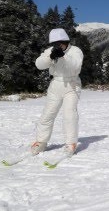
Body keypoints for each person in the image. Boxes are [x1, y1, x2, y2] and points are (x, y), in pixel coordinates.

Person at [31, 28, 83, 156]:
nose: (58, 46)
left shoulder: (76, 51)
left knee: (69, 115)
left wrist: (64, 56)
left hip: (72, 85)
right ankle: (41, 142)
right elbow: (39, 64)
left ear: (66, 41)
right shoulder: (51, 51)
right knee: (48, 115)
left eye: (60, 43)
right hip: (55, 85)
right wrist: (50, 57)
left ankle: (71, 143)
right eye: (55, 44)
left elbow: (75, 66)